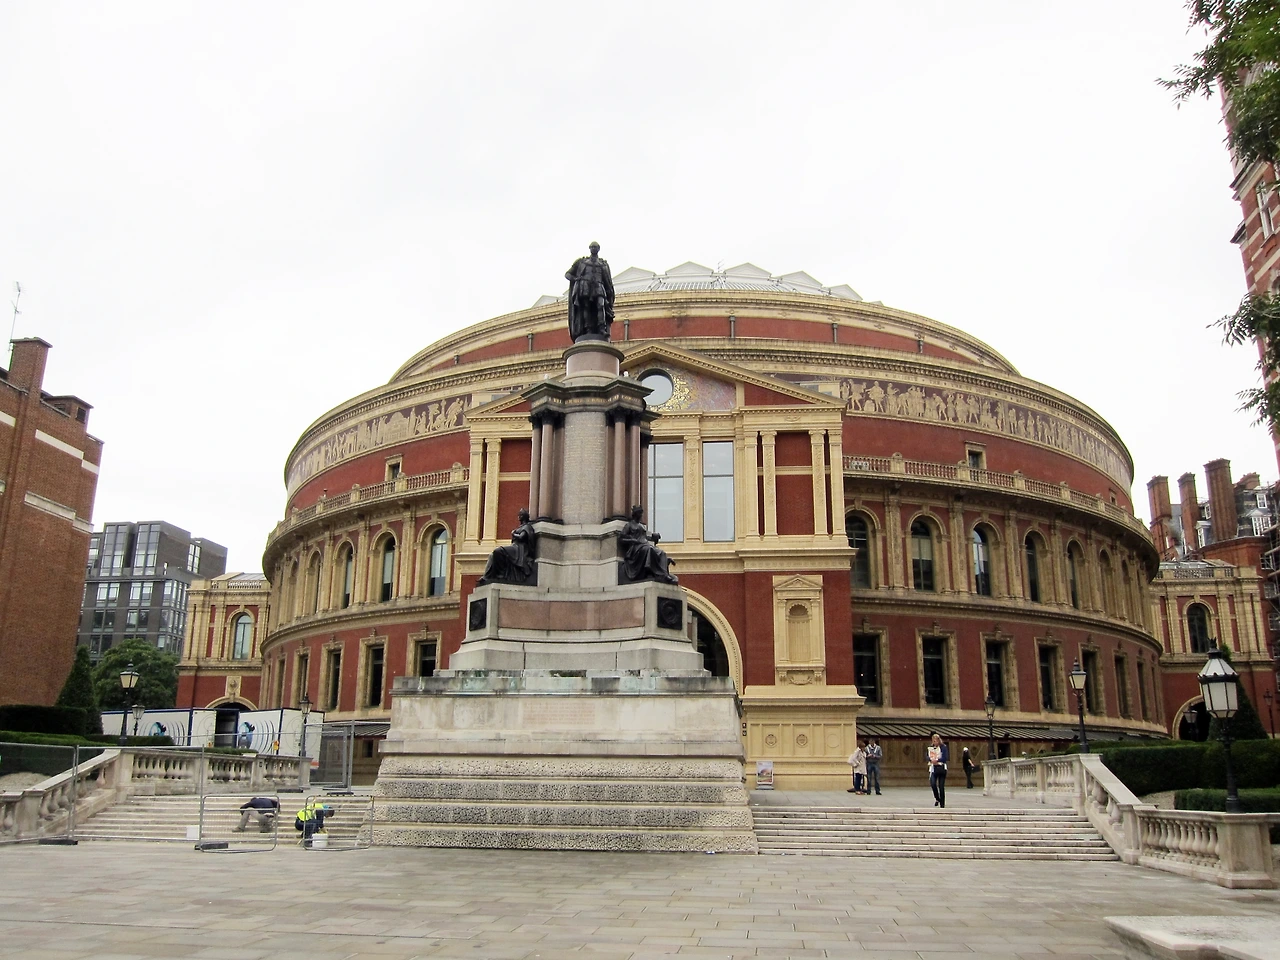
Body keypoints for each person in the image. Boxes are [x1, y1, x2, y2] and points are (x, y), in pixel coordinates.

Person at [565, 241, 615, 341]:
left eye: (595, 247)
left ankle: (602, 328)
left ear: (598, 249)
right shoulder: (582, 262)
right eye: (592, 247)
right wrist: (576, 279)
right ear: (589, 248)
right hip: (585, 287)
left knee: (600, 305)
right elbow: (568, 274)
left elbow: (608, 282)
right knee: (586, 308)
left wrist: (610, 295)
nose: (593, 248)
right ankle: (588, 329)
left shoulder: (603, 264)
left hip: (598, 286)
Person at [478, 508, 537, 585]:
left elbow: (521, 537)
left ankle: (500, 574)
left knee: (498, 551)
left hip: (519, 549)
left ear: (524, 516)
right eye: (519, 515)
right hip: (515, 546)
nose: (518, 516)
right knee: (492, 555)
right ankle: (488, 576)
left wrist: (513, 534)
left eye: (521, 515)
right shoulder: (521, 527)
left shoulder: (527, 527)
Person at [619, 505, 678, 584]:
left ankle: (664, 574)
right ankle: (650, 571)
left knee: (662, 552)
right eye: (640, 513)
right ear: (635, 514)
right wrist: (632, 540)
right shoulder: (629, 525)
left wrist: (653, 537)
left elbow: (645, 537)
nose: (641, 515)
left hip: (644, 544)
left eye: (641, 513)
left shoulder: (641, 526)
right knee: (649, 550)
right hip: (636, 548)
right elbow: (621, 539)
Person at [927, 732, 949, 808]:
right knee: (933, 783)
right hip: (933, 768)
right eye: (933, 741)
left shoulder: (943, 747)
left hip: (941, 767)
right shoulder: (931, 747)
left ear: (938, 740)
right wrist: (930, 759)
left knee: (941, 786)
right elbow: (927, 756)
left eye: (935, 741)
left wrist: (937, 760)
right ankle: (937, 798)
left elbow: (945, 758)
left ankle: (942, 803)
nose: (934, 742)